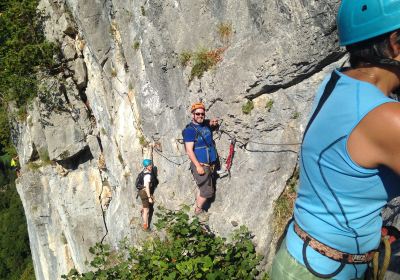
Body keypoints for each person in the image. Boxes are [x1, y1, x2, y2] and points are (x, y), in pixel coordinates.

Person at [272, 1, 400, 279]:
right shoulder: (388, 119)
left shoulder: (335, 82)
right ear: (394, 43)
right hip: (326, 271)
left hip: (298, 257)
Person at [183, 102, 219, 219]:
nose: (200, 116)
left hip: (210, 164)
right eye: (197, 113)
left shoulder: (204, 124)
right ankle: (198, 211)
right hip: (201, 165)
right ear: (193, 114)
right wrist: (198, 166)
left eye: (202, 114)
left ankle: (198, 207)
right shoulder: (190, 130)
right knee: (207, 192)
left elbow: (209, 123)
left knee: (203, 188)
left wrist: (213, 123)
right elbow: (189, 150)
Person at [137, 159, 154, 231]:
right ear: (146, 166)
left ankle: (143, 210)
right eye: (150, 165)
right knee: (146, 210)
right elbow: (147, 186)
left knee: (145, 208)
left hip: (141, 192)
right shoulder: (147, 175)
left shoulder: (143, 172)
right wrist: (149, 197)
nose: (151, 166)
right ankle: (145, 226)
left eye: (151, 164)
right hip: (144, 193)